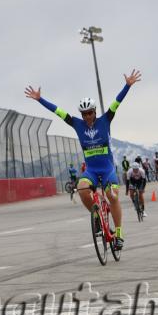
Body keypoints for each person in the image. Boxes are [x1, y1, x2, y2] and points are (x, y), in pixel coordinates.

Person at [25, 69, 142, 250]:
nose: (87, 116)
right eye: (84, 113)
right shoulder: (76, 124)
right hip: (91, 171)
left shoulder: (105, 120)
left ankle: (118, 233)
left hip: (108, 169)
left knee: (112, 196)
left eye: (90, 112)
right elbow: (58, 111)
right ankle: (96, 217)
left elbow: (117, 102)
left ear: (95, 112)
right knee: (82, 189)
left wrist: (127, 85)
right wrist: (40, 99)